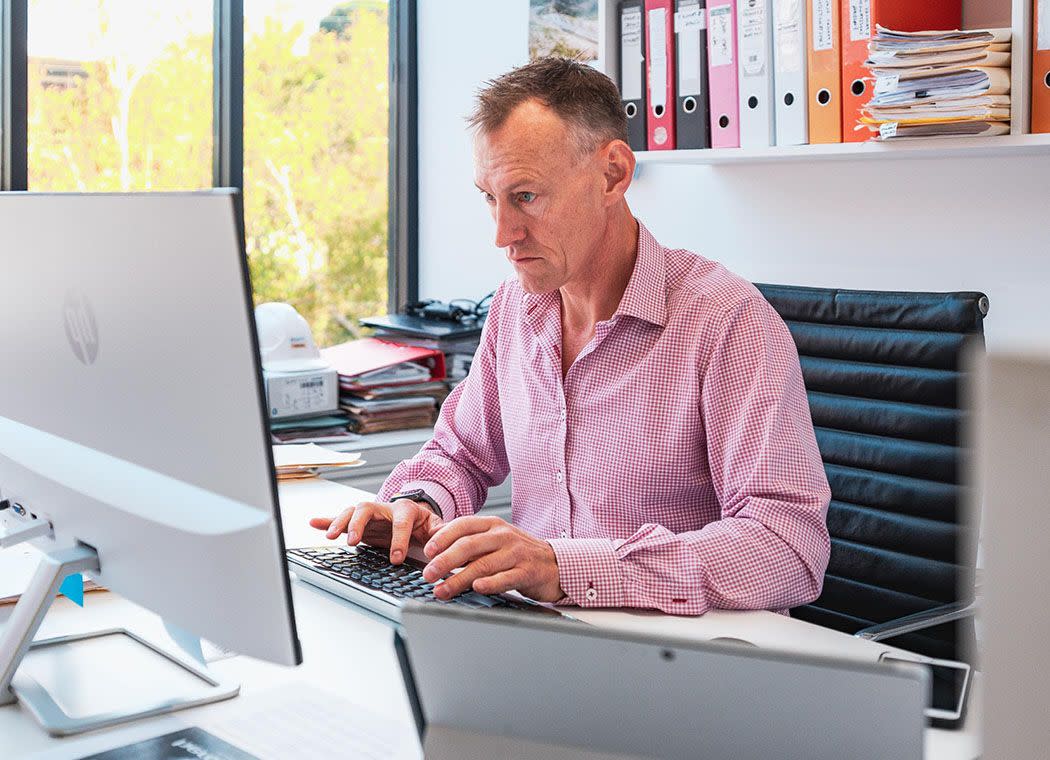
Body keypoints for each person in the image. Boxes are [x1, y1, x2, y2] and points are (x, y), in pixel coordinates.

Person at [311, 57, 831, 615]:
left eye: (526, 197)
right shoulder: (517, 307)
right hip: (541, 639)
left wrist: (566, 568)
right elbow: (459, 453)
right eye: (490, 196)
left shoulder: (725, 321)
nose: (502, 234)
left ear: (613, 174)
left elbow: (788, 548)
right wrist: (415, 504)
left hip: (680, 662)